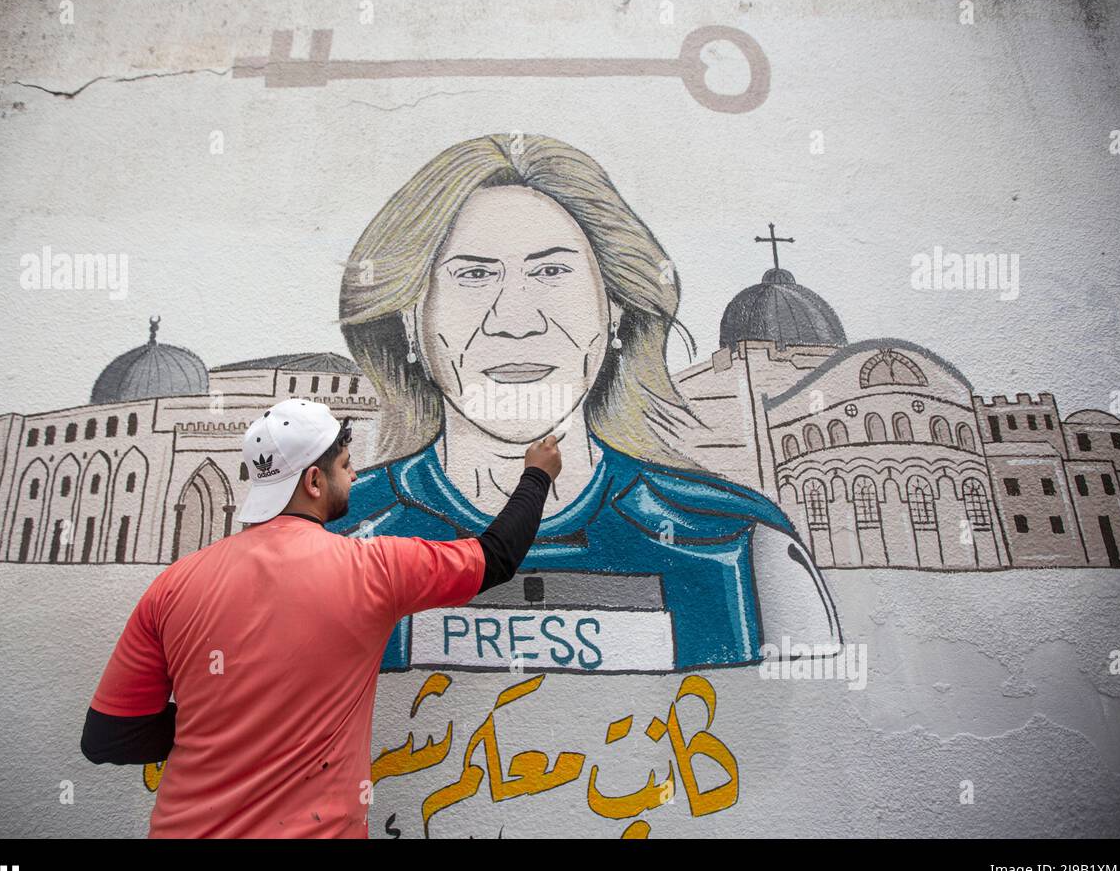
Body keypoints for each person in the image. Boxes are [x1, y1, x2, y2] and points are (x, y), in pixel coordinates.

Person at [334, 133, 841, 672]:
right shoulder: (336, 543)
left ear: (615, 308)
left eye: (552, 271)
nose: (515, 321)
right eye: (474, 275)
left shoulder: (741, 543)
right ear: (408, 320)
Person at [80, 397, 561, 838]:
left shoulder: (173, 585)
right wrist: (537, 475)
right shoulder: (374, 570)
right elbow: (496, 557)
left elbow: (109, 739)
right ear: (314, 481)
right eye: (346, 465)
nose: (353, 477)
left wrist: (215, 727)